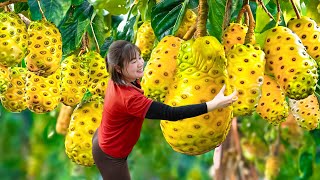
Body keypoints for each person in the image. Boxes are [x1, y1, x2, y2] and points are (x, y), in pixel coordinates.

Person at [92, 40, 238, 180]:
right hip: (110, 154)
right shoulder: (129, 99)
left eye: (140, 58)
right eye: (133, 62)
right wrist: (213, 104)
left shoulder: (118, 78)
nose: (141, 64)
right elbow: (171, 113)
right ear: (118, 68)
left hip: (102, 137)